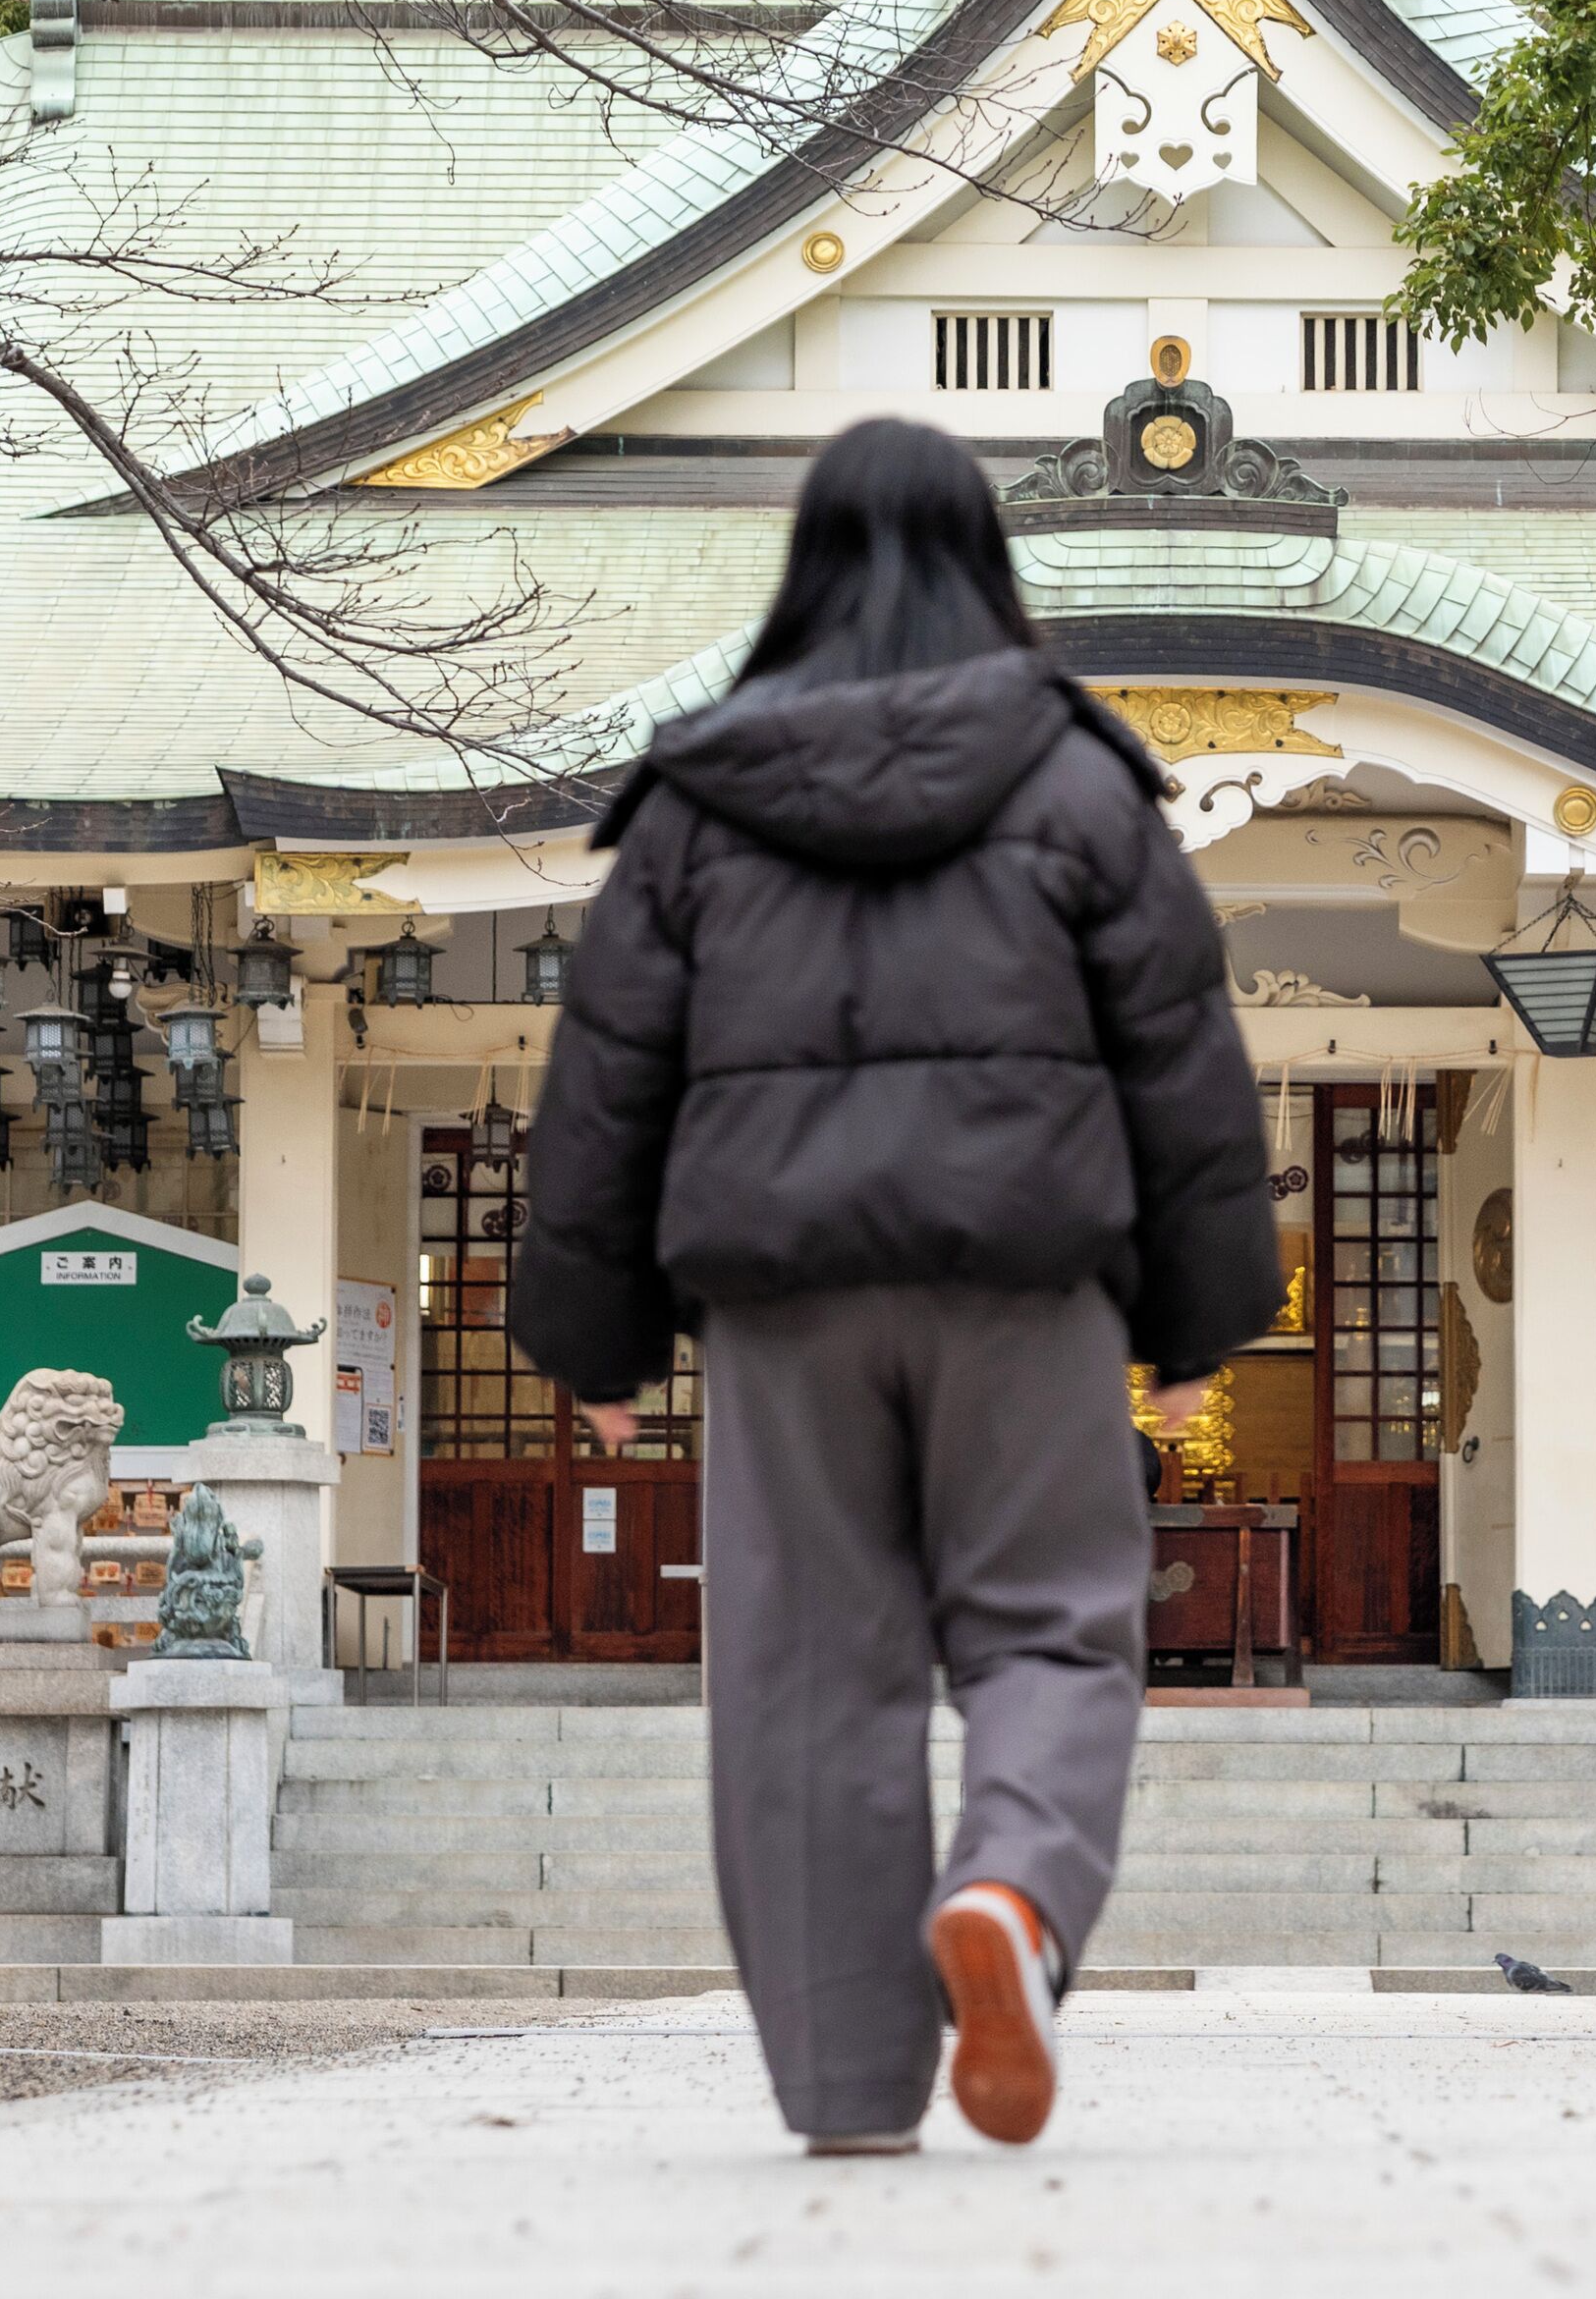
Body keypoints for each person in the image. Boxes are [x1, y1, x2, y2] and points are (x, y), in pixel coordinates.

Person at [515, 416, 1276, 2156]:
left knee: (803, 1674)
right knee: (1054, 1628)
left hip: (782, 1304)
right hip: (1028, 1282)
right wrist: (1193, 1325)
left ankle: (852, 2092)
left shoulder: (696, 801)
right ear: (983, 563)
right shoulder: (1080, 778)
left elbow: (608, 1074)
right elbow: (1184, 1065)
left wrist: (595, 1333)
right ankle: (1008, 1893)